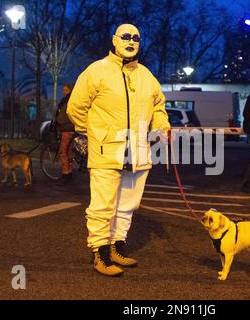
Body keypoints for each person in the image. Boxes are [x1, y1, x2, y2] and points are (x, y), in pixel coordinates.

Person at [67, 24, 170, 277]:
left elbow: (158, 106)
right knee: (102, 205)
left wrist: (162, 126)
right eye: (125, 36)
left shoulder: (146, 76)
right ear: (114, 40)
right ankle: (100, 255)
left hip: (138, 151)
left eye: (136, 37)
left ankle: (117, 248)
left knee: (127, 205)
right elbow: (76, 108)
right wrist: (91, 134)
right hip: (106, 151)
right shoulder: (97, 71)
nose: (131, 41)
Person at [55, 84, 75, 185]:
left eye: (66, 90)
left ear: (70, 90)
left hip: (66, 129)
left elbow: (63, 116)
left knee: (63, 152)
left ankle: (65, 174)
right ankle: (70, 172)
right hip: (71, 129)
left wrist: (57, 120)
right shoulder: (71, 99)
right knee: (69, 152)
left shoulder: (67, 101)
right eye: (63, 90)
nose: (64, 92)